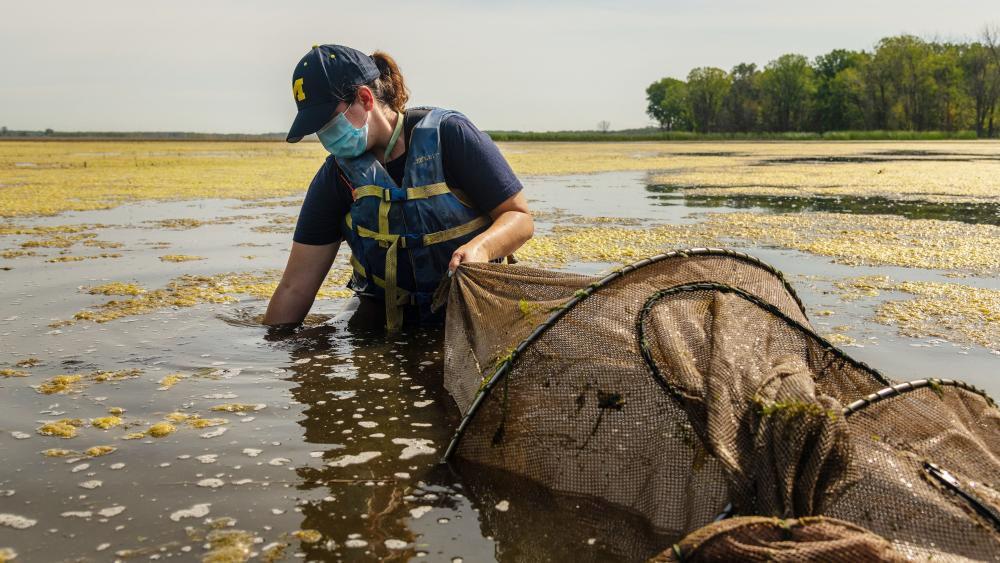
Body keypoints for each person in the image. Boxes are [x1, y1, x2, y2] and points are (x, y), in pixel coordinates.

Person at [263, 44, 533, 331]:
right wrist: (267, 353)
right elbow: (295, 287)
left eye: (329, 123)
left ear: (365, 98)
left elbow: (519, 218)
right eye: (318, 129)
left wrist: (481, 249)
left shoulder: (450, 135)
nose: (325, 137)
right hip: (385, 315)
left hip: (470, 308)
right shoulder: (336, 176)